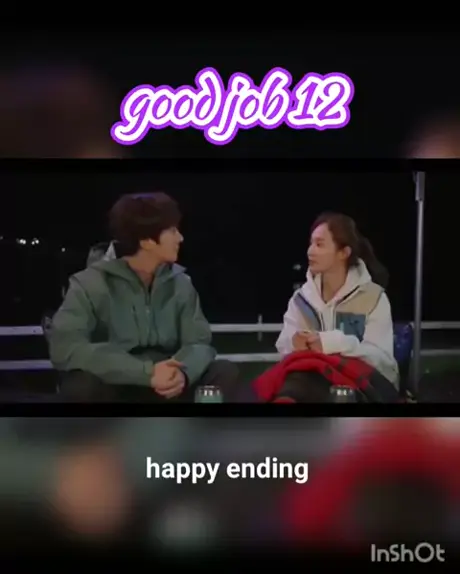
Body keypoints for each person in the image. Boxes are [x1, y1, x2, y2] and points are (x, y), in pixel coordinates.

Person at [48, 192, 240, 402]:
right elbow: (66, 347)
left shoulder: (181, 284)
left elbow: (199, 342)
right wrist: (146, 373)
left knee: (223, 371)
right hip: (116, 384)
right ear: (147, 240)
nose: (180, 238)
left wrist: (182, 373)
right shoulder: (89, 283)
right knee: (80, 386)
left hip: (168, 384)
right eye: (172, 230)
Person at [271, 212, 399, 402]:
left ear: (343, 253)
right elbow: (283, 349)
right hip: (309, 384)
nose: (310, 251)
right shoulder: (301, 300)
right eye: (311, 243)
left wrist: (333, 343)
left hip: (363, 388)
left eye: (319, 244)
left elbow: (383, 361)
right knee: (296, 381)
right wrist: (294, 344)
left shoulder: (373, 298)